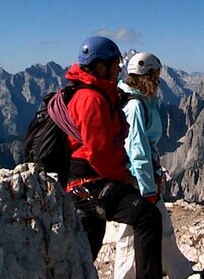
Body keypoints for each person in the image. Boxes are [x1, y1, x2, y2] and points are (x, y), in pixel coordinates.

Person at [65, 37, 163, 278]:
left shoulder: (95, 93)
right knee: (147, 217)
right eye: (114, 63)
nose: (119, 68)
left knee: (91, 235)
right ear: (100, 66)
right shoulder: (91, 99)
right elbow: (99, 152)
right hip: (89, 179)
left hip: (85, 179)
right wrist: (126, 179)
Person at [114, 52, 197, 279]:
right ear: (147, 75)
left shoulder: (139, 100)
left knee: (147, 230)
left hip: (139, 177)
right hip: (137, 180)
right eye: (156, 75)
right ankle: (181, 273)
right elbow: (137, 149)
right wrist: (148, 189)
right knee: (136, 233)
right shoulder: (135, 106)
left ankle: (181, 272)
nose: (159, 80)